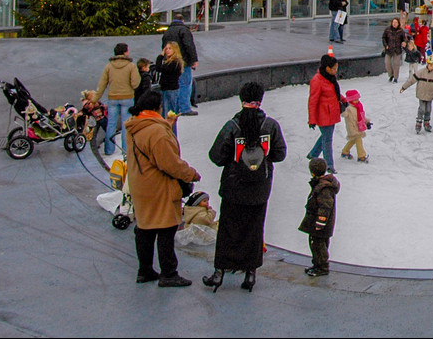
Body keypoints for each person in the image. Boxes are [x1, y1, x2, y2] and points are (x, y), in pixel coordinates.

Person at [203, 81, 287, 293]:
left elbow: (216, 156)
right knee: (254, 229)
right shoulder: (270, 125)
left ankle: (219, 271)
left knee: (228, 229)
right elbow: (280, 154)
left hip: (233, 187)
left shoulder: (232, 125)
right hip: (259, 188)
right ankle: (250, 274)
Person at [123, 89, 200, 287]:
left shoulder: (136, 126)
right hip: (158, 187)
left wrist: (166, 125)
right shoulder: (157, 132)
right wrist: (190, 173)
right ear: (159, 107)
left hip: (140, 185)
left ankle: (145, 269)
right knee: (166, 227)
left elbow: (150, 143)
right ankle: (169, 273)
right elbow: (169, 163)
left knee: (145, 228)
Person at [95, 42, 141, 157]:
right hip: (127, 98)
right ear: (125, 52)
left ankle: (109, 149)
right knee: (126, 125)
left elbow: (102, 84)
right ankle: (125, 150)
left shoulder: (109, 66)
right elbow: (135, 84)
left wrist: (95, 98)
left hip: (113, 99)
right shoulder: (131, 66)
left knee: (111, 124)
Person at [300, 158, 340, 277]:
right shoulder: (321, 185)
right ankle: (316, 264)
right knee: (315, 244)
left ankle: (322, 267)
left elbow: (325, 207)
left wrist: (320, 222)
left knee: (319, 245)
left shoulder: (324, 188)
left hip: (320, 224)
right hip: (317, 222)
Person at [307, 54, 343, 173]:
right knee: (327, 139)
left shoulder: (329, 78)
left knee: (325, 136)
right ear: (327, 68)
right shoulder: (317, 81)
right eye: (334, 68)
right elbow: (312, 101)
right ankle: (328, 164)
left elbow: (334, 92)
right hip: (323, 115)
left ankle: (313, 154)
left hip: (331, 112)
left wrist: (343, 99)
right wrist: (312, 119)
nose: (335, 71)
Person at [161, 16, 199, 116]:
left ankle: (176, 108)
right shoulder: (184, 30)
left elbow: (164, 47)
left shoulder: (167, 31)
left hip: (170, 62)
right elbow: (189, 45)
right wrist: (193, 60)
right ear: (182, 20)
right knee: (185, 84)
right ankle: (184, 108)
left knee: (176, 85)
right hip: (183, 62)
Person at [400, 57, 433, 134]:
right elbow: (411, 80)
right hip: (421, 94)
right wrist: (404, 87)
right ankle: (418, 122)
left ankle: (426, 122)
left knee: (428, 109)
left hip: (430, 95)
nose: (431, 67)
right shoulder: (421, 72)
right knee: (422, 108)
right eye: (430, 65)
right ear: (427, 64)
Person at [154, 41, 185, 134]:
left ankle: (171, 136)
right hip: (165, 89)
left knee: (170, 116)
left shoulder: (174, 62)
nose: (167, 51)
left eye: (170, 48)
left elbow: (159, 68)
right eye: (166, 48)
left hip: (171, 90)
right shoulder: (169, 61)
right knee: (165, 114)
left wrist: (160, 56)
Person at [340, 89, 370, 163]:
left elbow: (361, 117)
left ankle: (345, 151)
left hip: (358, 127)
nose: (357, 101)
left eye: (357, 99)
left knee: (352, 140)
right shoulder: (348, 108)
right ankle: (361, 156)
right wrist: (342, 109)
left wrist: (367, 122)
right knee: (358, 140)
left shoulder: (359, 107)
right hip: (352, 128)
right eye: (355, 100)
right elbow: (344, 114)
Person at [382, 17, 407, 83]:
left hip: (397, 49)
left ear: (398, 23)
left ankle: (395, 77)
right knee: (387, 63)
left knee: (396, 64)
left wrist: (404, 42)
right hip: (389, 49)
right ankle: (391, 75)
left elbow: (404, 38)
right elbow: (384, 38)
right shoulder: (387, 30)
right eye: (393, 22)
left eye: (396, 22)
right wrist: (385, 45)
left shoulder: (400, 31)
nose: (394, 24)